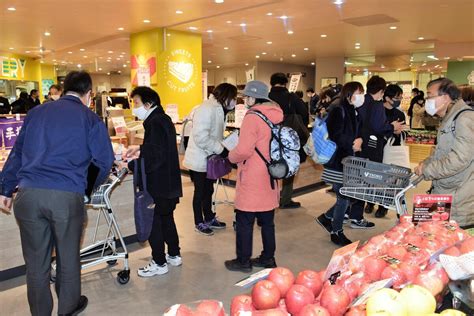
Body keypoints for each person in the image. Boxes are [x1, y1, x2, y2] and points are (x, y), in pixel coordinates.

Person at [0, 70, 114, 316]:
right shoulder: (89, 118)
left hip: (28, 196)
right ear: (88, 94)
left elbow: (17, 153)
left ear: (62, 90)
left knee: (36, 265)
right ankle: (68, 309)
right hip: (65, 197)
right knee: (68, 260)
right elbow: (104, 161)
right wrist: (86, 190)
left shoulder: (36, 113)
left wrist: (6, 188)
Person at [125, 86, 183, 277]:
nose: (134, 108)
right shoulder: (161, 119)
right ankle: (174, 254)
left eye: (136, 103)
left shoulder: (155, 122)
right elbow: (158, 148)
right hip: (169, 183)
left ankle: (159, 262)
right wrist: (140, 149)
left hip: (159, 183)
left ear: (148, 104)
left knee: (155, 222)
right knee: (167, 218)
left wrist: (132, 165)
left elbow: (155, 157)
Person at [224, 80, 282, 272]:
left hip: (253, 176)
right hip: (272, 174)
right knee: (268, 222)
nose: (244, 99)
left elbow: (243, 149)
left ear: (252, 97)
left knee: (244, 221)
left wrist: (230, 156)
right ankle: (268, 258)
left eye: (246, 96)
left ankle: (243, 261)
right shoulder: (276, 114)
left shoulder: (252, 117)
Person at [415, 78, 474, 229]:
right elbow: (443, 152)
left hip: (457, 198)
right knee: (429, 236)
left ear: (446, 97)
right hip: (444, 190)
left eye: (430, 96)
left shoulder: (464, 118)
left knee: (449, 244)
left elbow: (460, 159)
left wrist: (428, 170)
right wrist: (427, 163)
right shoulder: (449, 117)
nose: (427, 100)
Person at [183, 83, 237, 235]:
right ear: (225, 96)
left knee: (208, 190)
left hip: (209, 158)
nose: (234, 101)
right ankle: (198, 221)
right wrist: (221, 149)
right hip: (200, 157)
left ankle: (209, 217)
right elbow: (201, 136)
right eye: (233, 97)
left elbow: (214, 133)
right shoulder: (207, 109)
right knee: (200, 191)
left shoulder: (219, 109)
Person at [316, 82, 365, 246]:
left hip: (347, 160)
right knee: (344, 196)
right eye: (359, 92)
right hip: (338, 160)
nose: (361, 96)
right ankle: (336, 231)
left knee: (347, 195)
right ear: (350, 93)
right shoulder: (338, 108)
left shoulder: (352, 109)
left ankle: (327, 218)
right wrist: (352, 142)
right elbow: (335, 134)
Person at [351, 75, 404, 226]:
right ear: (381, 91)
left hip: (358, 146)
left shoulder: (361, 101)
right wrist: (392, 126)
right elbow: (379, 127)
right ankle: (356, 216)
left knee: (357, 180)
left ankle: (351, 212)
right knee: (368, 181)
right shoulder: (376, 105)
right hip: (372, 148)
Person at [268, 72, 309, 209]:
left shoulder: (266, 97)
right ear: (285, 83)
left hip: (269, 138)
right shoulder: (292, 97)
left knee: (267, 167)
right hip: (288, 138)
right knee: (288, 166)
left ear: (271, 83)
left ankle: (268, 199)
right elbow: (304, 114)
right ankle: (285, 200)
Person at [374, 84, 406, 218]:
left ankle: (388, 206)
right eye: (397, 97)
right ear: (387, 98)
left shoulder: (399, 113)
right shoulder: (377, 111)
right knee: (377, 179)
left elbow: (403, 132)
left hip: (393, 150)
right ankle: (374, 204)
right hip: (377, 148)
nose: (399, 100)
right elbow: (374, 130)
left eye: (401, 97)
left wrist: (399, 132)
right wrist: (390, 129)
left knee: (393, 180)